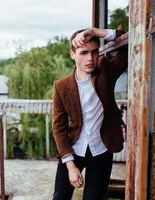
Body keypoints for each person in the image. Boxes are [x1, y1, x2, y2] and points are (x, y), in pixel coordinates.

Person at [52, 27, 127, 200]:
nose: (90, 59)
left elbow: (125, 45)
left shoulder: (105, 72)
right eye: (83, 53)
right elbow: (59, 128)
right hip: (73, 150)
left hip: (101, 150)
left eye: (94, 52)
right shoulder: (61, 86)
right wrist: (70, 166)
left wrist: (96, 32)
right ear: (72, 54)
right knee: (60, 197)